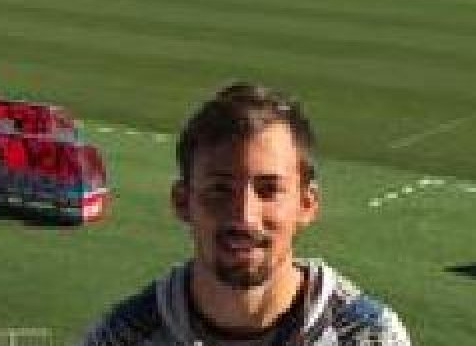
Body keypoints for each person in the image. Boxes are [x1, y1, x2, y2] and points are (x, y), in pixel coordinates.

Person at [83, 83, 411, 345]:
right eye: (220, 190)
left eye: (269, 190)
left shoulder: (367, 336)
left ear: (306, 204)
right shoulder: (123, 336)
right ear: (182, 201)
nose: (244, 216)